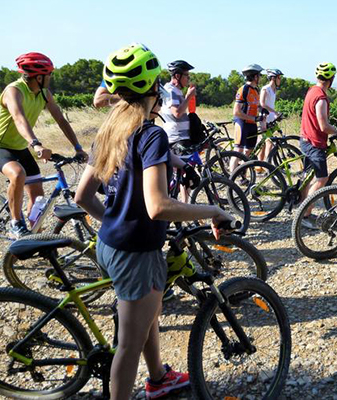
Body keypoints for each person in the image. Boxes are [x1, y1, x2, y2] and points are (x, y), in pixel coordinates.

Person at [74, 43, 233, 400]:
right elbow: (158, 206)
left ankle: (159, 377)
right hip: (137, 252)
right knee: (127, 347)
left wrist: (115, 221)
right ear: (153, 88)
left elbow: (82, 196)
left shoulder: (111, 129)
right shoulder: (152, 134)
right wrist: (214, 211)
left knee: (149, 313)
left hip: (109, 245)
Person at [0, 52, 88, 237]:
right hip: (1, 145)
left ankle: (35, 236)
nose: (51, 78)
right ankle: (16, 223)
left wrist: (78, 147)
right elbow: (18, 118)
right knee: (17, 173)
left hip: (19, 147)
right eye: (49, 75)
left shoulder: (44, 93)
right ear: (39, 77)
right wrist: (36, 145)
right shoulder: (14, 91)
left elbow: (61, 120)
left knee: (38, 197)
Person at [299, 62, 337, 226]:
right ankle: (305, 216)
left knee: (308, 177)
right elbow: (324, 126)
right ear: (331, 79)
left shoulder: (312, 90)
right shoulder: (321, 98)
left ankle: (301, 207)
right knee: (322, 179)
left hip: (306, 139)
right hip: (314, 143)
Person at [228, 64, 263, 173]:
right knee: (238, 151)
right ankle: (231, 180)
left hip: (252, 124)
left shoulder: (256, 90)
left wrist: (263, 110)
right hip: (242, 123)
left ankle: (242, 175)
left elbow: (256, 105)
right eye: (259, 75)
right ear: (255, 76)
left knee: (248, 152)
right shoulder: (243, 89)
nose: (261, 78)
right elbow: (236, 112)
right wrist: (252, 118)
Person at [159, 60, 196, 151]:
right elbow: (177, 113)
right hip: (177, 139)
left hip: (181, 137)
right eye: (186, 75)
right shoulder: (170, 91)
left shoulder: (176, 90)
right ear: (177, 76)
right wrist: (188, 97)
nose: (188, 78)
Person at [258, 68, 284, 161]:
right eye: (279, 77)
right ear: (273, 78)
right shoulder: (265, 89)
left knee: (263, 144)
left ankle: (259, 166)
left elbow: (270, 104)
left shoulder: (274, 90)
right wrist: (275, 112)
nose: (280, 79)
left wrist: (275, 114)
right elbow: (262, 104)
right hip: (264, 119)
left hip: (271, 119)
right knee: (269, 143)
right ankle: (268, 166)